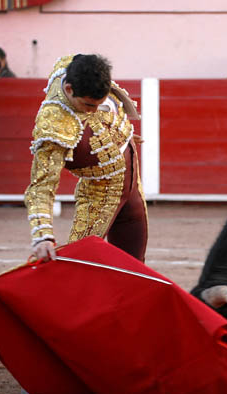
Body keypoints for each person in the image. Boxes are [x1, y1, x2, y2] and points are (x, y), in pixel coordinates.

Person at [24, 54, 148, 264]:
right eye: (89, 105)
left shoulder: (77, 67)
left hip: (132, 183)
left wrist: (119, 136)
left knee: (134, 265)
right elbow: (41, 187)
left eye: (101, 102)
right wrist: (42, 235)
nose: (95, 110)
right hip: (100, 195)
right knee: (78, 265)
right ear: (69, 89)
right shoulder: (54, 124)